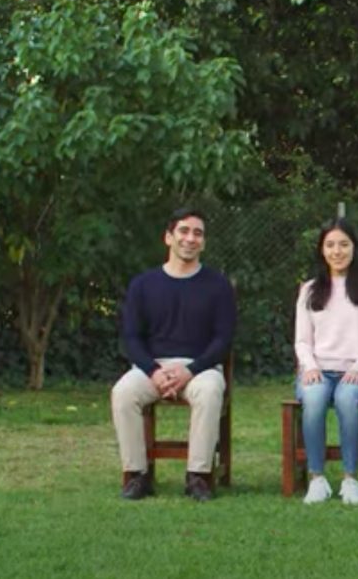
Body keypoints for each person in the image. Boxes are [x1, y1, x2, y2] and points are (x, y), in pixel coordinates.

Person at [111, 208, 236, 502]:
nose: (190, 239)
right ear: (168, 237)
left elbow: (223, 339)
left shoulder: (218, 285)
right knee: (123, 393)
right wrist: (154, 371)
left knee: (210, 391)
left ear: (204, 242)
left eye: (198, 233)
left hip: (200, 368)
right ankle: (137, 475)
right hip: (152, 368)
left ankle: (198, 477)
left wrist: (190, 370)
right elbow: (131, 337)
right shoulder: (143, 284)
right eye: (184, 231)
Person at [293, 219, 358, 505]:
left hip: (356, 372)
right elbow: (302, 340)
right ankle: (316, 478)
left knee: (347, 401)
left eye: (344, 244)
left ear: (354, 248)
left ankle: (350, 479)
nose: (337, 251)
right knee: (314, 399)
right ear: (322, 250)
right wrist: (310, 367)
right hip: (318, 370)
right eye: (330, 245)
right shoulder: (310, 289)